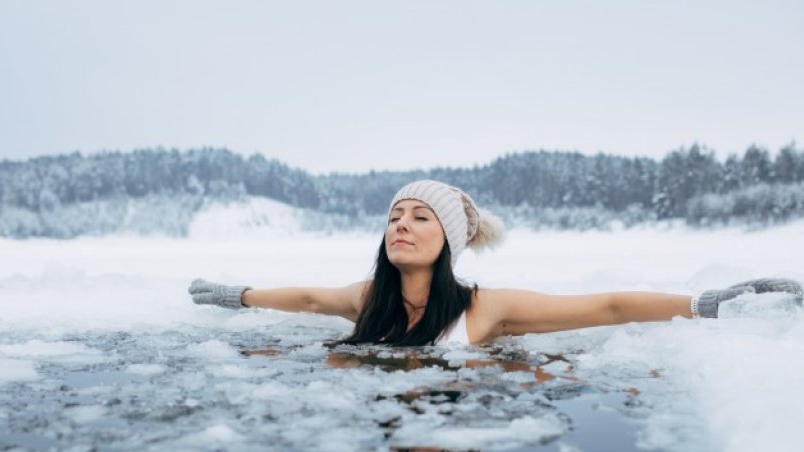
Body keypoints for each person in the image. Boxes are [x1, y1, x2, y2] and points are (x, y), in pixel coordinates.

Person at [188, 180, 803, 346]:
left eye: (419, 217)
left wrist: (704, 303)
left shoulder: (487, 310)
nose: (401, 225)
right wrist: (235, 294)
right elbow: (307, 299)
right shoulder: (367, 297)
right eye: (395, 215)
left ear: (449, 240)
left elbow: (606, 307)